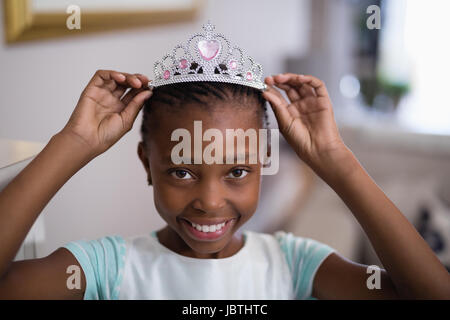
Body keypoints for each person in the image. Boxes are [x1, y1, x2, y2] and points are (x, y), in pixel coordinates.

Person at [0, 23, 449, 300]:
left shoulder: (297, 268)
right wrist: (73, 143)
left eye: (237, 171)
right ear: (146, 163)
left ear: (264, 162)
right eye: (181, 171)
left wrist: (336, 162)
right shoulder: (107, 270)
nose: (210, 202)